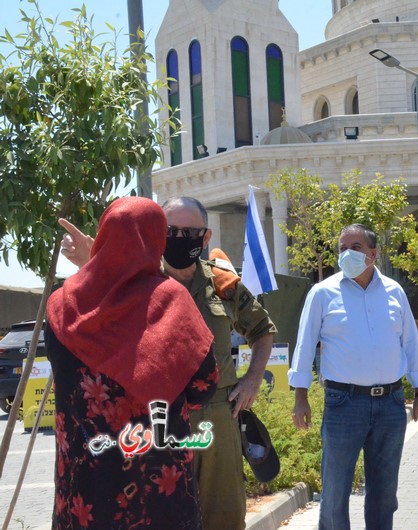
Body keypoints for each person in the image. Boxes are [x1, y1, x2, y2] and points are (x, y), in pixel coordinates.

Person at [60, 196, 277, 530]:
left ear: (205, 238)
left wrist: (252, 379)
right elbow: (99, 309)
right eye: (171, 230)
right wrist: (92, 261)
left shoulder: (223, 284)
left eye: (190, 232)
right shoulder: (137, 282)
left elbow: (262, 330)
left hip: (218, 413)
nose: (179, 238)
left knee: (224, 514)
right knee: (164, 513)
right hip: (160, 419)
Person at [47, 197, 219, 529]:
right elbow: (205, 386)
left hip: (86, 487)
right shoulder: (172, 301)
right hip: (157, 486)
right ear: (157, 240)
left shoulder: (62, 305)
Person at [289, 223, 418, 530]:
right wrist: (300, 397)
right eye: (342, 249)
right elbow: (304, 344)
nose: (346, 254)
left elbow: (411, 344)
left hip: (391, 404)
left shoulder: (395, 292)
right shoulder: (322, 293)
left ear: (373, 254)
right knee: (335, 493)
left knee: (384, 494)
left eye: (354, 248)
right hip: (343, 404)